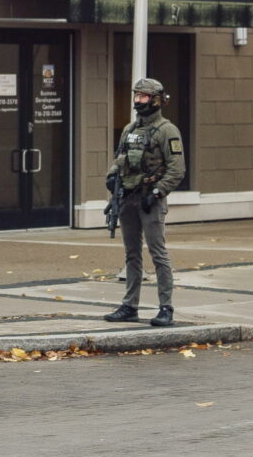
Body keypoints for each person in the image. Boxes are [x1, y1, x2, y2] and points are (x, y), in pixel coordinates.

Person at [103, 77, 186, 327]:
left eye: (144, 97)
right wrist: (112, 176)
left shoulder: (167, 130)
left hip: (151, 199)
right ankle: (130, 306)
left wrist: (158, 192)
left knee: (158, 254)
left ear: (156, 100)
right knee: (131, 254)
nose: (138, 101)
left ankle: (166, 307)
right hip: (128, 197)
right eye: (136, 96)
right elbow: (121, 157)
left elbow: (177, 169)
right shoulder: (130, 130)